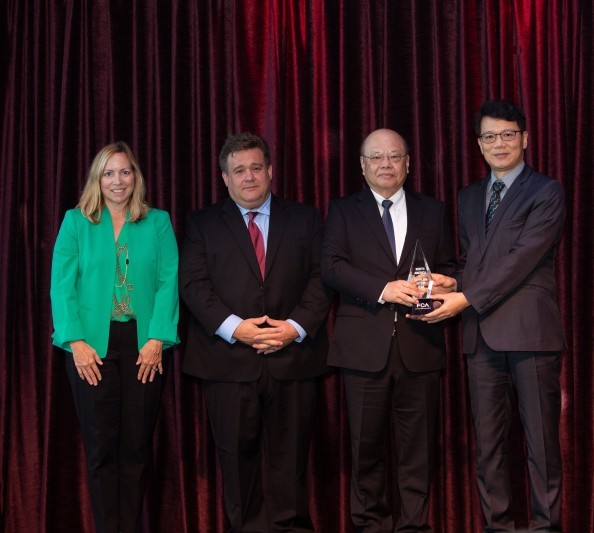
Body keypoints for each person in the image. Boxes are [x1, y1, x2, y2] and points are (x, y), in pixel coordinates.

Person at [418, 100, 566, 531]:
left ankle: (546, 528)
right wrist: (451, 283)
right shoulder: (468, 197)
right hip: (480, 336)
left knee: (541, 446)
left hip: (530, 333)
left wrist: (465, 298)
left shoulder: (546, 191)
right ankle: (496, 527)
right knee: (488, 447)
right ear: (479, 145)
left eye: (507, 134)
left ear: (525, 138)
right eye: (489, 136)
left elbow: (521, 259)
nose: (499, 143)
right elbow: (475, 263)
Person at [180, 132, 330, 532]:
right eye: (239, 170)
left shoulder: (305, 218)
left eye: (256, 168)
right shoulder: (201, 223)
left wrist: (294, 328)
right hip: (227, 362)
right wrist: (236, 329)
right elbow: (193, 285)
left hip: (293, 358)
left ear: (270, 171)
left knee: (291, 462)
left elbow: (322, 278)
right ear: (224, 178)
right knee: (236, 463)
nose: (249, 177)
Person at [321, 128, 456, 532]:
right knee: (365, 451)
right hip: (363, 350)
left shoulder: (433, 210)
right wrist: (382, 289)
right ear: (362, 166)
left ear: (408, 164)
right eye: (376, 157)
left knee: (418, 452)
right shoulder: (343, 210)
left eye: (395, 156)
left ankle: (414, 527)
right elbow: (331, 267)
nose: (386, 164)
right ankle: (369, 526)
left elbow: (451, 266)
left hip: (420, 346)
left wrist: (447, 283)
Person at [50, 141, 180, 533]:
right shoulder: (76, 222)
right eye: (108, 173)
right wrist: (75, 342)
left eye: (125, 172)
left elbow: (168, 281)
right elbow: (62, 286)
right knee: (101, 449)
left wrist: (157, 339)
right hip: (90, 349)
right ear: (97, 179)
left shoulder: (157, 222)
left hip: (144, 347)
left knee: (136, 448)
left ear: (135, 177)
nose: (117, 180)